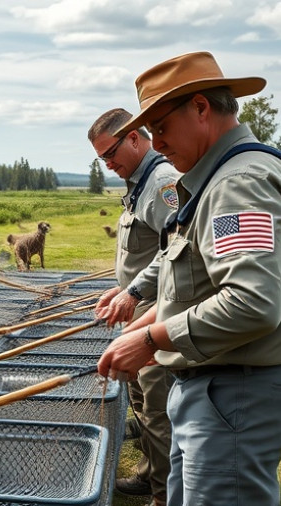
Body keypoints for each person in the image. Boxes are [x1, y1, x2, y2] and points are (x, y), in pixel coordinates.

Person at [98, 51, 281, 506]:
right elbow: (197, 281)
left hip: (232, 395)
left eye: (161, 127)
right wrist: (143, 321)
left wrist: (150, 340)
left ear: (201, 108)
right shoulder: (215, 179)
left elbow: (251, 302)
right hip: (212, 389)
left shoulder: (237, 185)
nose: (156, 143)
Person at [89, 108, 179, 506]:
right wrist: (120, 287)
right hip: (139, 308)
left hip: (157, 315)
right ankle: (149, 474)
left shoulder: (161, 183)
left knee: (158, 412)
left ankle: (164, 494)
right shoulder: (138, 182)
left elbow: (177, 249)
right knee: (142, 405)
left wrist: (134, 292)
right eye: (101, 159)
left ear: (134, 139)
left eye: (111, 153)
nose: (109, 165)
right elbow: (143, 251)